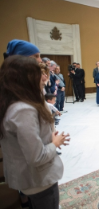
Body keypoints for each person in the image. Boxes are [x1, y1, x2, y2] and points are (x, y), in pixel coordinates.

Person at [0, 55, 70, 209]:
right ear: (26, 78)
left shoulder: (13, 101)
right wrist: (55, 143)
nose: (43, 76)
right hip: (38, 181)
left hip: (32, 179)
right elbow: (37, 157)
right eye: (38, 72)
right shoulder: (23, 110)